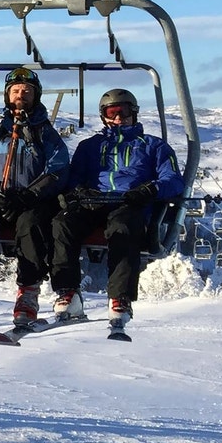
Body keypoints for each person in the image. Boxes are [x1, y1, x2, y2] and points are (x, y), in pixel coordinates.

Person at [50, 88, 184, 330]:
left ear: (134, 113)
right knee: (63, 223)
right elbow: (72, 178)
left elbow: (173, 180)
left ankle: (119, 298)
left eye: (124, 112)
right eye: (112, 113)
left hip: (128, 203)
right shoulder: (89, 146)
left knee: (122, 227)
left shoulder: (154, 146)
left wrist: (149, 190)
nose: (118, 118)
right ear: (104, 116)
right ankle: (68, 292)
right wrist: (79, 192)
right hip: (93, 202)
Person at [0, 66, 70, 329]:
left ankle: (28, 292)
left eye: (27, 91)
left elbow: (57, 170)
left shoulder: (45, 134)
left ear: (36, 96)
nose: (21, 95)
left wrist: (31, 194)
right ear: (8, 96)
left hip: (31, 201)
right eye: (16, 91)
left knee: (32, 226)